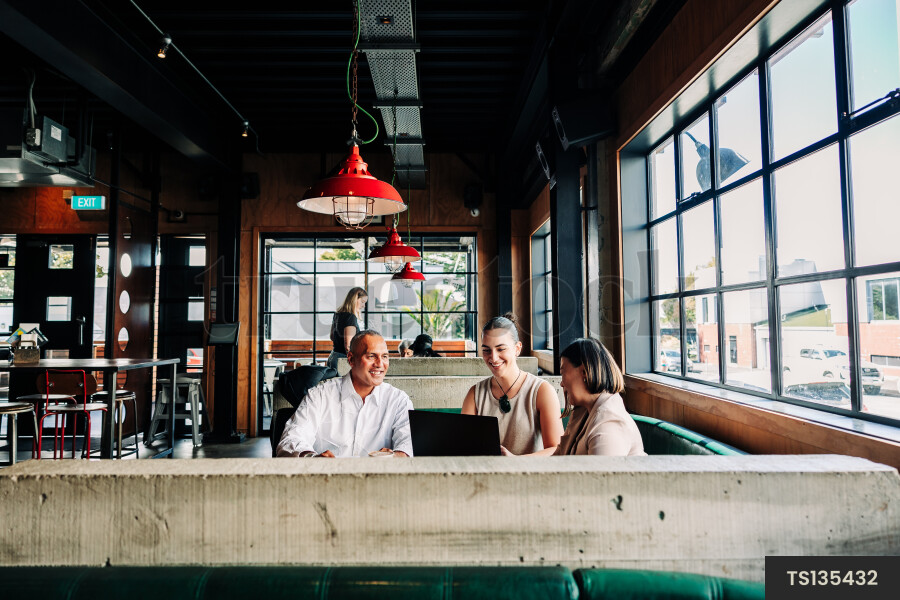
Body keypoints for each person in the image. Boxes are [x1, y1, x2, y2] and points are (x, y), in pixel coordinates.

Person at [277, 330, 413, 458]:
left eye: (384, 356)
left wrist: (396, 456)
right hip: (327, 479)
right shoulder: (319, 395)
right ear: (351, 359)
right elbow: (291, 439)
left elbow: (408, 442)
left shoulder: (398, 400)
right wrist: (312, 458)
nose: (379, 364)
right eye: (371, 356)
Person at [462, 314, 563, 456]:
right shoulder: (475, 393)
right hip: (486, 475)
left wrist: (516, 461)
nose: (493, 357)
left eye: (501, 349)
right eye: (486, 350)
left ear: (517, 348)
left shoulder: (541, 390)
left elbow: (557, 450)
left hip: (529, 476)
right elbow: (463, 445)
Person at [554, 338, 646, 457]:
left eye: (563, 373)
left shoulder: (609, 424)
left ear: (584, 372)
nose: (561, 383)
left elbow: (600, 475)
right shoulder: (583, 410)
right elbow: (559, 455)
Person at [327, 287, 367, 370]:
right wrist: (354, 362)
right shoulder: (350, 317)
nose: (364, 306)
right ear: (355, 299)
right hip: (343, 360)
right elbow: (348, 345)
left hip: (333, 357)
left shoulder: (338, 314)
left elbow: (332, 336)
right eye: (362, 302)